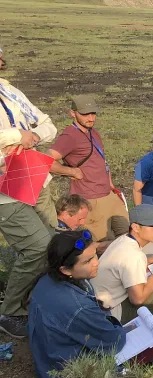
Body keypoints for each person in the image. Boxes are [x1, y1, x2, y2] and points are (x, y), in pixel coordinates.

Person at [26, 230, 153, 378]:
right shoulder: (77, 307)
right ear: (65, 269)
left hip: (52, 363)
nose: (96, 263)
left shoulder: (48, 281)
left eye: (95, 256)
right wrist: (119, 326)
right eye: (87, 261)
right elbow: (114, 342)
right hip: (79, 372)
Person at [0, 46, 59, 337]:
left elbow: (49, 125)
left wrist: (33, 135)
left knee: (53, 245)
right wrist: (15, 136)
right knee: (37, 246)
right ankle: (11, 311)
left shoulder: (12, 93)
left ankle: (41, 300)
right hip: (3, 191)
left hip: (34, 177)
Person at [47, 95, 129, 242]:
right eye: (85, 114)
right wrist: (71, 171)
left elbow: (100, 159)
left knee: (126, 237)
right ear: (73, 113)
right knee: (104, 244)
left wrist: (110, 184)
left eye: (93, 113)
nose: (91, 118)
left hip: (108, 195)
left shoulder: (93, 132)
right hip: (90, 199)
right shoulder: (69, 136)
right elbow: (46, 160)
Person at [90, 205, 153, 323]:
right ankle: (142, 328)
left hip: (96, 303)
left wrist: (147, 261)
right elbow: (138, 299)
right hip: (110, 314)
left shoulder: (123, 239)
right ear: (136, 227)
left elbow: (123, 264)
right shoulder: (134, 255)